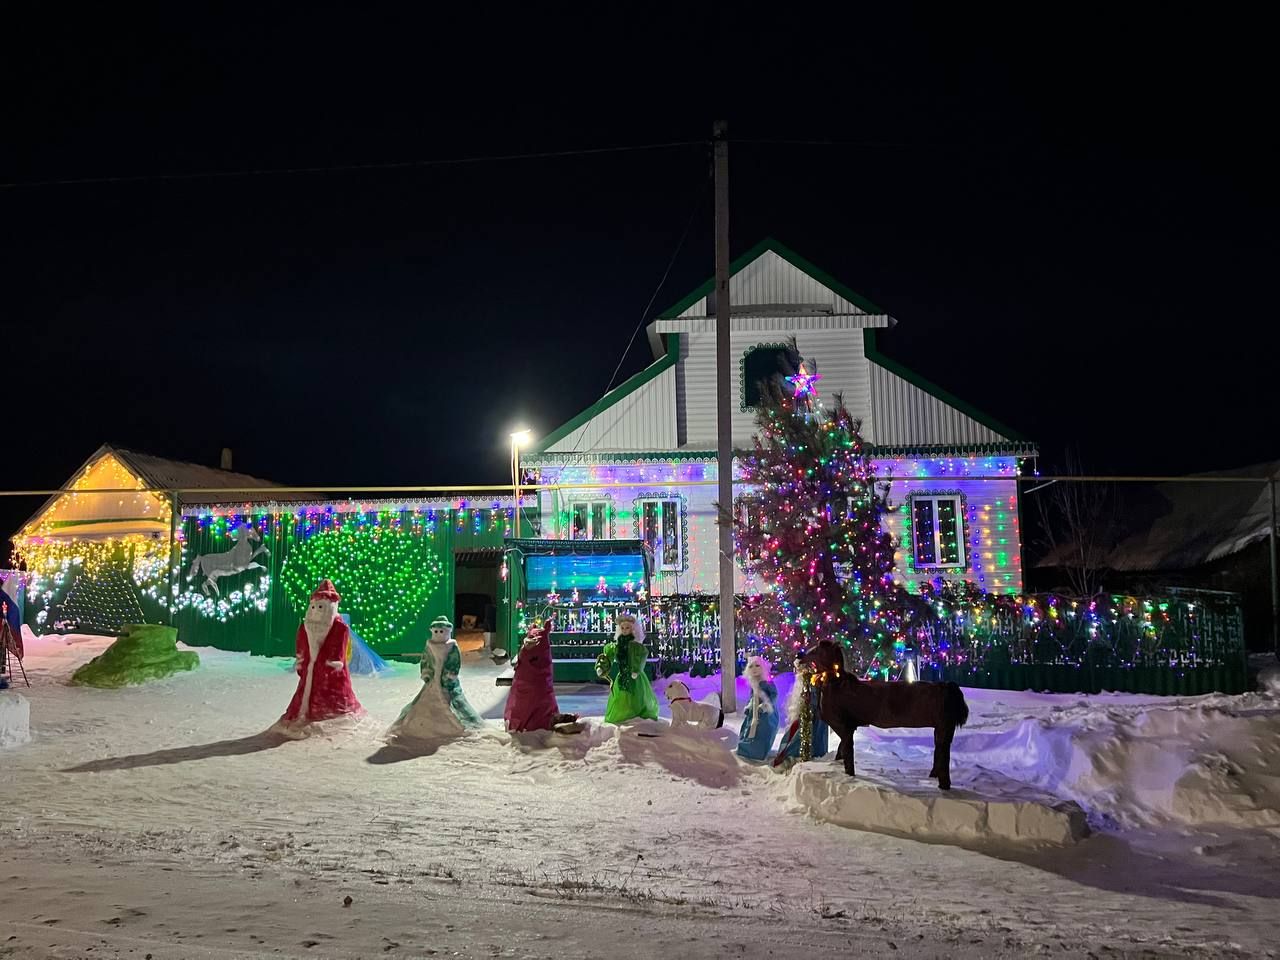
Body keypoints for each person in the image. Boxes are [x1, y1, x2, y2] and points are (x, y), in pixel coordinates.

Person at [277, 579, 363, 729]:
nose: (316, 610)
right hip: (309, 669)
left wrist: (331, 663)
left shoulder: (339, 627)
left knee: (328, 695)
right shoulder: (306, 626)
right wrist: (302, 660)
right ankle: (301, 713)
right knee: (304, 694)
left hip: (329, 672)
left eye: (321, 606)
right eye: (314, 606)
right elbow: (301, 644)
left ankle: (328, 713)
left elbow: (338, 648)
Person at [388, 615, 484, 740]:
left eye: (442, 631)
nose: (439, 634)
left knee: (452, 703)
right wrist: (426, 673)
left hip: (446, 681)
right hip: (433, 680)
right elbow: (425, 661)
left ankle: (455, 724)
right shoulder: (430, 645)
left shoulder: (452, 646)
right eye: (436, 631)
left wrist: (451, 674)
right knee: (423, 702)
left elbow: (455, 662)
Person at [504, 619, 578, 732]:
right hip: (535, 687)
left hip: (526, 687)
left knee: (527, 702)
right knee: (539, 701)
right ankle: (546, 720)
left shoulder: (527, 652)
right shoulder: (539, 650)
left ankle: (530, 721)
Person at [595, 613, 659, 724]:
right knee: (622, 697)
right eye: (623, 628)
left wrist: (636, 669)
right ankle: (624, 716)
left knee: (637, 696)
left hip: (635, 676)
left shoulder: (636, 647)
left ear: (633, 629)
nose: (625, 630)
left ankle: (636, 715)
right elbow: (608, 656)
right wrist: (601, 666)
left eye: (627, 628)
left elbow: (640, 657)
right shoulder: (616, 646)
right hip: (622, 676)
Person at [736, 656, 779, 761]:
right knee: (749, 729)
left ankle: (759, 752)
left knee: (763, 731)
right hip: (754, 712)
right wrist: (749, 706)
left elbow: (774, 695)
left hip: (766, 713)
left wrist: (765, 705)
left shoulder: (768, 683)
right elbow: (752, 697)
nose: (754, 669)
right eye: (751, 666)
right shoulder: (753, 683)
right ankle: (746, 750)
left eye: (757, 666)